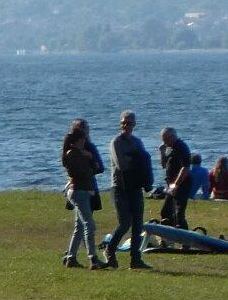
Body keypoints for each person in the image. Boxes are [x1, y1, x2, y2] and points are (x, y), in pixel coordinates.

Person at [103, 112, 153, 268]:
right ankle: (110, 249)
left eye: (129, 123)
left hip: (135, 187)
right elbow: (121, 164)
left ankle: (135, 259)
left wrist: (146, 179)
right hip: (120, 188)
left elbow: (145, 162)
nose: (126, 126)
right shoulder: (116, 142)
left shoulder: (137, 142)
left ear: (134, 125)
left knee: (138, 224)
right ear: (120, 124)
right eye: (124, 123)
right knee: (125, 222)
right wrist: (136, 160)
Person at [59, 119, 106, 270]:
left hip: (83, 189)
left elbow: (96, 168)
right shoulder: (73, 154)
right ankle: (92, 258)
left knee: (79, 226)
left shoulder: (82, 151)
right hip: (80, 190)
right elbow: (85, 172)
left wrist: (90, 159)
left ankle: (71, 257)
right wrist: (90, 159)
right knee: (89, 225)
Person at [156, 128, 197, 229]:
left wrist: (175, 185)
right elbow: (164, 165)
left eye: (166, 139)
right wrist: (162, 152)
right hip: (171, 185)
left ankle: (185, 241)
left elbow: (185, 168)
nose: (164, 142)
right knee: (165, 211)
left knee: (179, 213)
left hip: (182, 184)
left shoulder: (181, 147)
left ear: (172, 137)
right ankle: (169, 236)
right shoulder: (169, 147)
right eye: (163, 140)